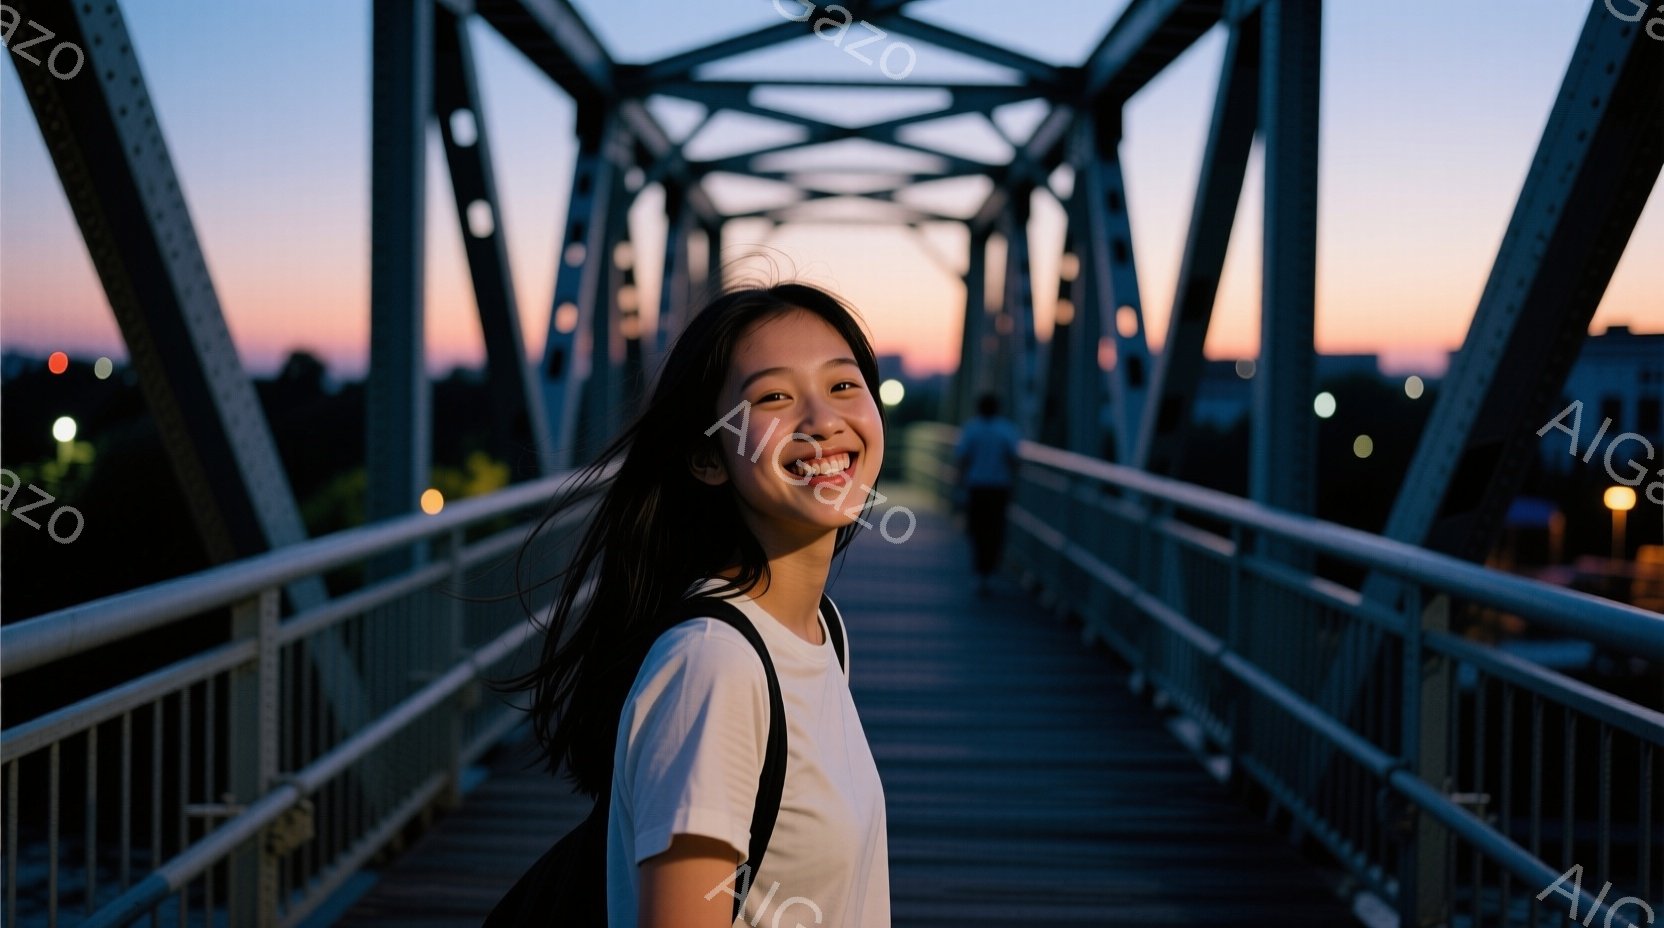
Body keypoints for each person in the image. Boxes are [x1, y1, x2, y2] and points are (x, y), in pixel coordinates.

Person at [510, 283, 891, 927]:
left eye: (844, 385)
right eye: (773, 397)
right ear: (705, 458)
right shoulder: (713, 668)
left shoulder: (819, 631)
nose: (824, 421)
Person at [954, 392, 1022, 594]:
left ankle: (979, 573)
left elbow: (963, 460)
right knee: (996, 531)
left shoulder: (971, 429)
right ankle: (991, 572)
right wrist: (1015, 486)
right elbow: (1014, 461)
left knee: (977, 530)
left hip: (977, 488)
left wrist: (959, 486)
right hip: (999, 488)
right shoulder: (1007, 430)